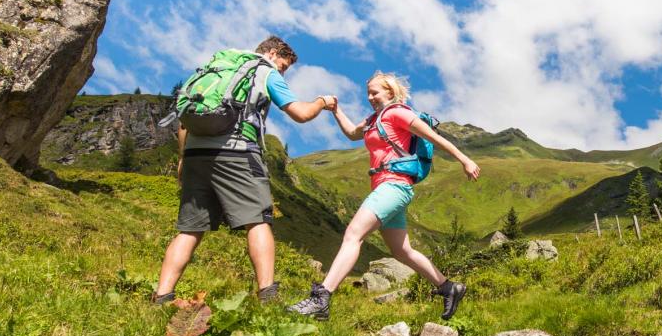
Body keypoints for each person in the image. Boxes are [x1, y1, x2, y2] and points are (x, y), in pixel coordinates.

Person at [151, 36, 337, 305]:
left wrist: (183, 158)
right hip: (236, 152)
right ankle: (267, 297)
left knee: (190, 229)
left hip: (195, 153)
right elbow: (301, 113)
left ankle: (162, 296)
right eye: (283, 66)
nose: (282, 72)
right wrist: (322, 101)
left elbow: (183, 122)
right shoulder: (264, 72)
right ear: (272, 54)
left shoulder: (216, 70)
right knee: (258, 221)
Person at [288, 71, 481, 321]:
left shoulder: (399, 113)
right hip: (385, 187)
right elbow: (351, 133)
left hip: (394, 186)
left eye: (374, 92)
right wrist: (336, 110)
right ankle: (448, 287)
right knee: (402, 251)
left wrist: (465, 160)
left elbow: (435, 138)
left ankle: (321, 298)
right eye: (367, 93)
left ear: (390, 92)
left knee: (353, 235)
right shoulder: (372, 120)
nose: (369, 97)